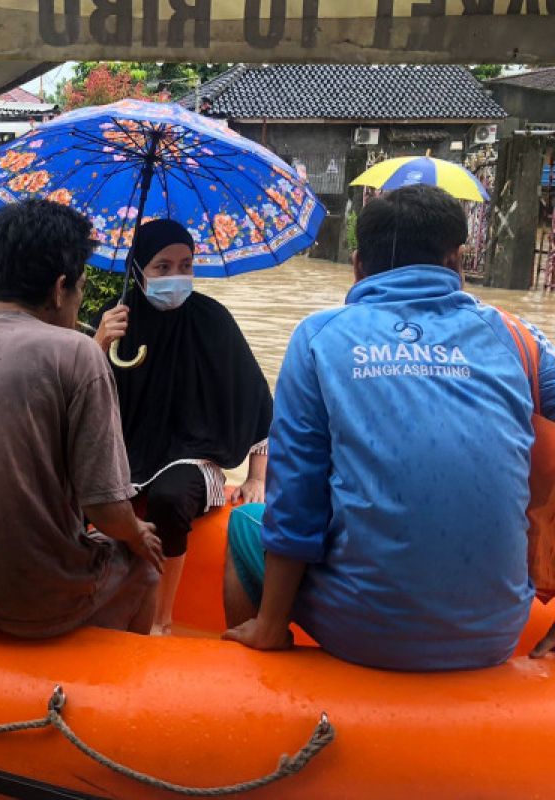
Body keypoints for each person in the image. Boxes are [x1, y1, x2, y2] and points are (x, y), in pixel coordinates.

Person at [223, 184, 555, 670]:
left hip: (362, 630)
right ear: (458, 259)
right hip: (498, 629)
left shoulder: (319, 336)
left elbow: (294, 494)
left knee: (242, 524)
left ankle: (264, 650)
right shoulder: (518, 337)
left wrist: (275, 623)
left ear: (358, 264)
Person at [0, 199, 164, 638]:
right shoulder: (80, 354)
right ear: (60, 288)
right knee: (145, 563)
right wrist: (138, 531)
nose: (80, 301)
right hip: (39, 603)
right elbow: (105, 509)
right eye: (80, 288)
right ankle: (130, 671)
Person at [93, 219, 272, 635]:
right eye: (162, 267)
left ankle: (161, 619)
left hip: (192, 453)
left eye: (185, 265)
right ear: (138, 272)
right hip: (125, 451)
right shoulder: (117, 323)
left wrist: (257, 476)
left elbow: (255, 399)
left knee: (171, 496)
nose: (176, 277)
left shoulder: (213, 321)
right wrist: (98, 343)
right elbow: (80, 396)